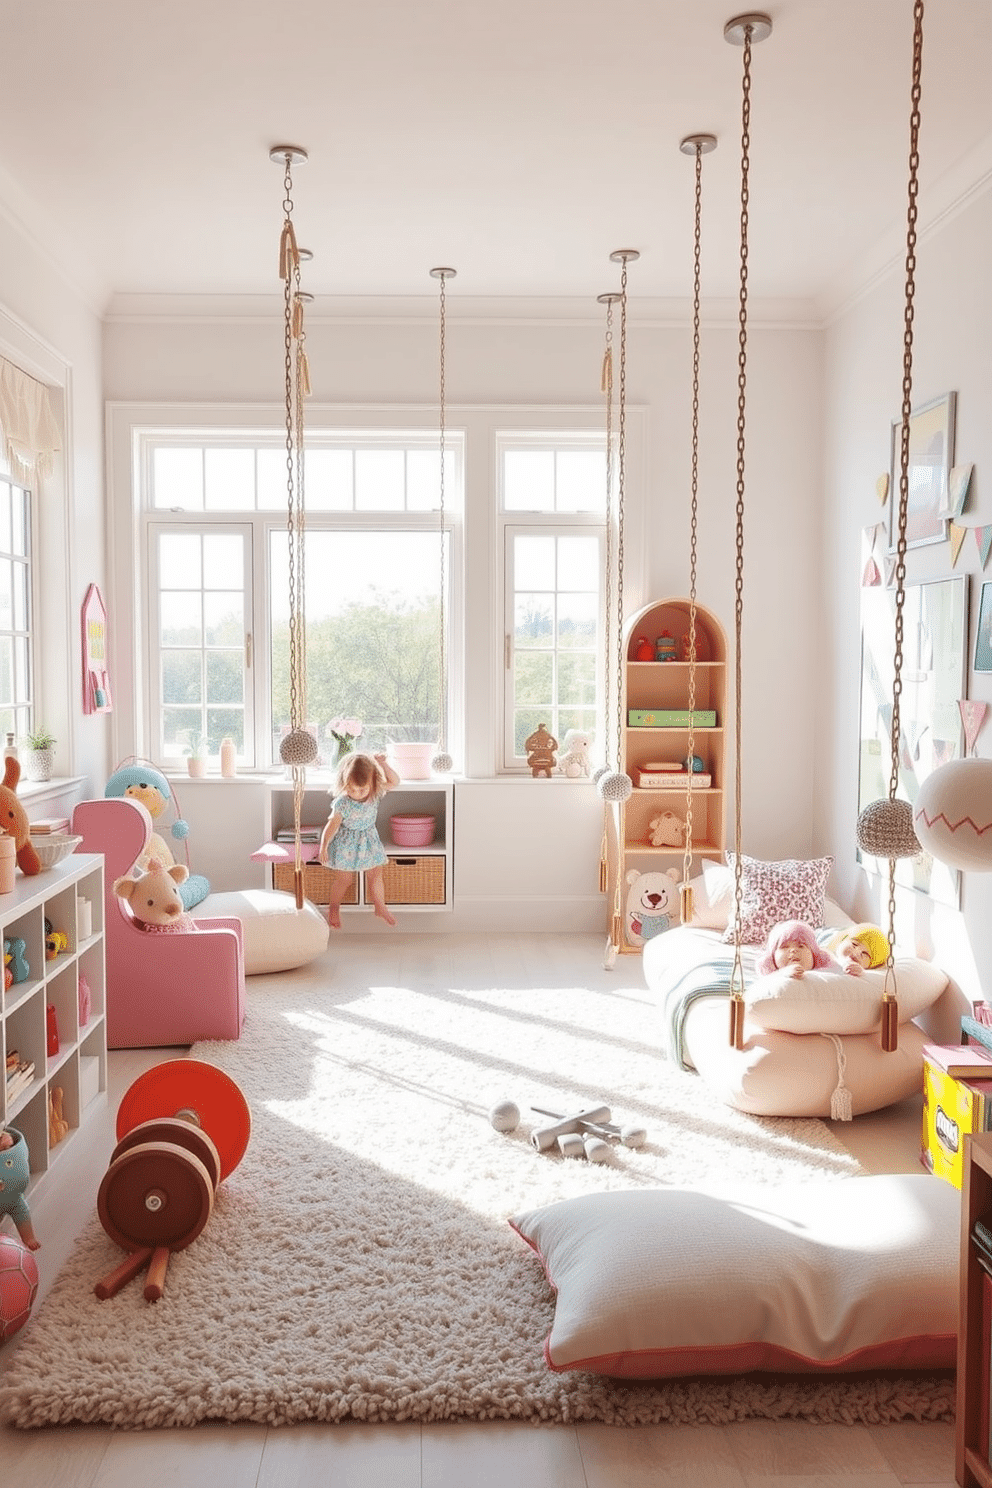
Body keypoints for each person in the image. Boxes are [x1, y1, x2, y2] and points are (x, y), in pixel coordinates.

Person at [319, 751, 399, 929]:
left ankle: (380, 906)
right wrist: (323, 847)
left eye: (361, 789)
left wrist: (383, 764)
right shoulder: (342, 803)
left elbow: (395, 781)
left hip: (369, 840)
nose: (356, 793)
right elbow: (331, 826)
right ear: (344, 784)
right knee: (344, 880)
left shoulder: (375, 793)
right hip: (345, 844)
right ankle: (333, 908)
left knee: (376, 873)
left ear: (372, 783)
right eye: (351, 789)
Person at [756, 919, 838, 979]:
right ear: (772, 958)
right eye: (784, 947)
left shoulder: (829, 976)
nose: (793, 950)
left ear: (814, 956)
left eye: (801, 946)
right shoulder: (768, 981)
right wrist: (782, 974)